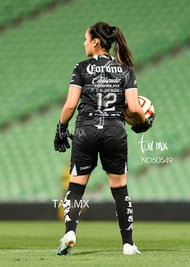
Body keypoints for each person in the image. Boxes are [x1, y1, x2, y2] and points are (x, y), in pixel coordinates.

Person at [53, 21, 154, 256]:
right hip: (114, 131)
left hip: (85, 130)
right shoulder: (126, 70)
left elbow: (70, 105)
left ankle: (70, 232)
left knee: (76, 188)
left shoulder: (81, 68)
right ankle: (128, 244)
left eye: (86, 39)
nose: (84, 42)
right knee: (120, 190)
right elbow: (134, 108)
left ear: (96, 42)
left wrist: (60, 127)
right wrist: (144, 123)